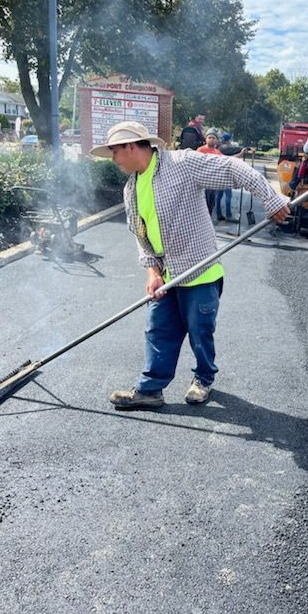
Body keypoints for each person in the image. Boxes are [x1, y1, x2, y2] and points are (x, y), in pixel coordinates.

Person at [89, 121, 290, 410]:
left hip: (200, 271)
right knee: (158, 329)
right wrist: (152, 270)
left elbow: (234, 169)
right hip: (167, 274)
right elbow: (140, 235)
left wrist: (270, 199)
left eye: (115, 152)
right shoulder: (131, 188)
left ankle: (203, 379)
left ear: (131, 146)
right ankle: (150, 389)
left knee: (200, 331)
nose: (114, 159)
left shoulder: (181, 163)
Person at [218, 132, 252, 221]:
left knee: (218, 196)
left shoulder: (219, 147)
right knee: (228, 196)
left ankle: (219, 214)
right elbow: (233, 153)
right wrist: (244, 150)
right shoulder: (224, 148)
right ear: (228, 140)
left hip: (218, 175)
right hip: (225, 176)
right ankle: (228, 215)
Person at [197, 130, 225, 218]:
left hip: (213, 183)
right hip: (202, 182)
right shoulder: (200, 150)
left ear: (216, 140)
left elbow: (226, 160)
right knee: (202, 203)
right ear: (206, 139)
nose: (211, 139)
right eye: (209, 137)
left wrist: (241, 153)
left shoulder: (217, 152)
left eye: (213, 138)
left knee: (211, 203)